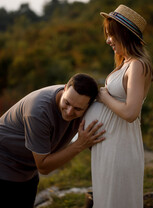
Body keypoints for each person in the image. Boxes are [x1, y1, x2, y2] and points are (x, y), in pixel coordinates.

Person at [83, 4, 153, 208]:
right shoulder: (126, 63)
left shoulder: (137, 65)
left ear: (124, 34)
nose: (107, 40)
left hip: (120, 147)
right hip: (109, 145)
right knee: (106, 198)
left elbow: (131, 112)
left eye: (111, 35)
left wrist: (101, 95)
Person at [0, 73, 106, 208]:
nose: (69, 112)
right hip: (4, 165)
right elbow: (44, 167)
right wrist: (79, 144)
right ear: (65, 88)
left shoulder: (83, 103)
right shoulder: (38, 112)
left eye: (77, 109)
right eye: (66, 103)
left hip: (27, 171)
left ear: (88, 106)